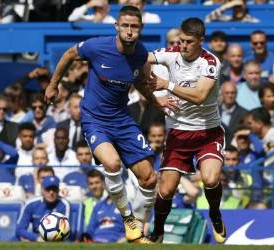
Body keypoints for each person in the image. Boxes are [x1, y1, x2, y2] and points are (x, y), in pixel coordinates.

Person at [45, 5, 176, 243]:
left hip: (122, 119)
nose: (129, 31)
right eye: (124, 25)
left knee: (149, 177)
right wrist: (54, 84)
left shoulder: (140, 54)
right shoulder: (97, 46)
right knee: (113, 164)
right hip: (95, 119)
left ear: (141, 28)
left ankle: (138, 227)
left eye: (134, 26)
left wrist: (156, 102)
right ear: (117, 26)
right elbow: (68, 55)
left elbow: (140, 82)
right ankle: (127, 219)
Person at [148, 17, 226, 244]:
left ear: (201, 41)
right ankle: (158, 230)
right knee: (166, 189)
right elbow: (143, 58)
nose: (183, 46)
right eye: (181, 41)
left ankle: (215, 214)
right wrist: (147, 82)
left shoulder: (210, 62)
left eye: (189, 42)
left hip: (207, 132)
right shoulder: (170, 54)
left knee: (211, 179)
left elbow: (200, 97)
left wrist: (167, 85)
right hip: (178, 134)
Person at [16, 175, 70, 241]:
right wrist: (36, 238)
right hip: (36, 238)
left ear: (58, 190)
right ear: (42, 190)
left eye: (54, 189)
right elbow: (19, 229)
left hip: (58, 239)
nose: (51, 192)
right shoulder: (31, 204)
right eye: (48, 189)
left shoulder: (64, 204)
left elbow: (65, 230)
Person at [219, 81, 248, 146]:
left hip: (236, 152)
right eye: (227, 93)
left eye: (232, 93)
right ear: (221, 94)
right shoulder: (215, 112)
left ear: (236, 94)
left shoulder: (245, 114)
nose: (230, 95)